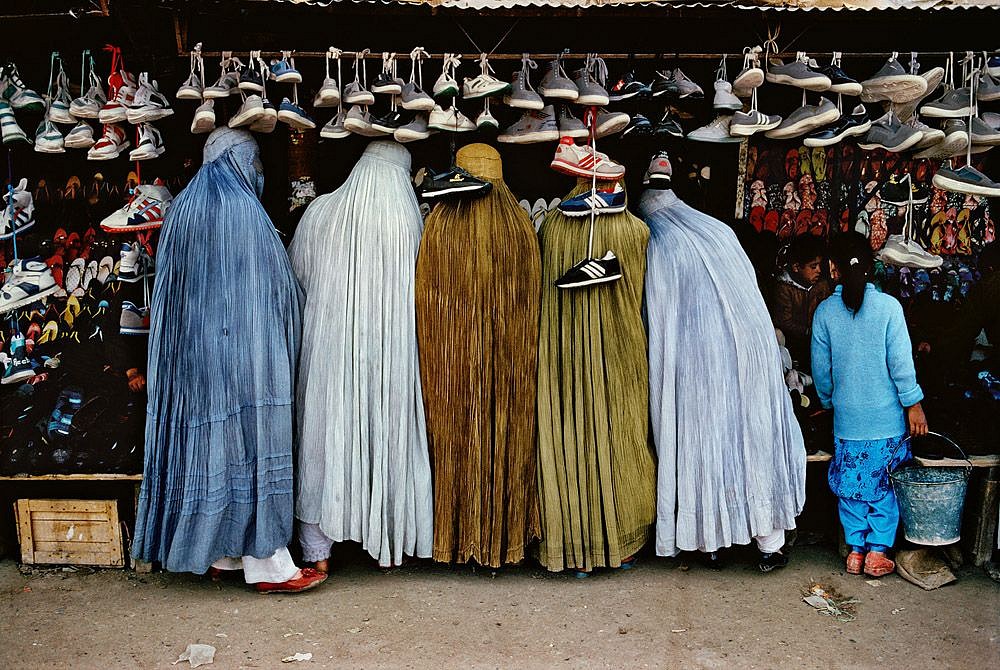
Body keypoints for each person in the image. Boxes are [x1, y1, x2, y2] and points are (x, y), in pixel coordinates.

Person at [132, 128, 325, 594]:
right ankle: (269, 563)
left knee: (213, 451)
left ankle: (222, 553)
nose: (259, 171)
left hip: (194, 362)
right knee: (255, 447)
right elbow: (271, 288)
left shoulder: (181, 209)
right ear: (239, 160)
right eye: (255, 160)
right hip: (244, 357)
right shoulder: (243, 209)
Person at [811, 232, 929, 579]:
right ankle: (877, 551)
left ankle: (854, 551)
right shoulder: (889, 308)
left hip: (848, 422)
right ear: (872, 267)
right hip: (887, 422)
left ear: (834, 269)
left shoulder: (824, 312)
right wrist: (914, 403)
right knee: (883, 487)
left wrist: (830, 401)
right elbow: (901, 364)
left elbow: (822, 369)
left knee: (851, 486)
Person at [770, 234, 832, 368]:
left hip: (817, 344)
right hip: (793, 346)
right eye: (813, 266)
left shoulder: (821, 286)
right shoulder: (784, 288)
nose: (819, 271)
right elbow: (783, 321)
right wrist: (808, 332)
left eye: (819, 265)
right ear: (796, 267)